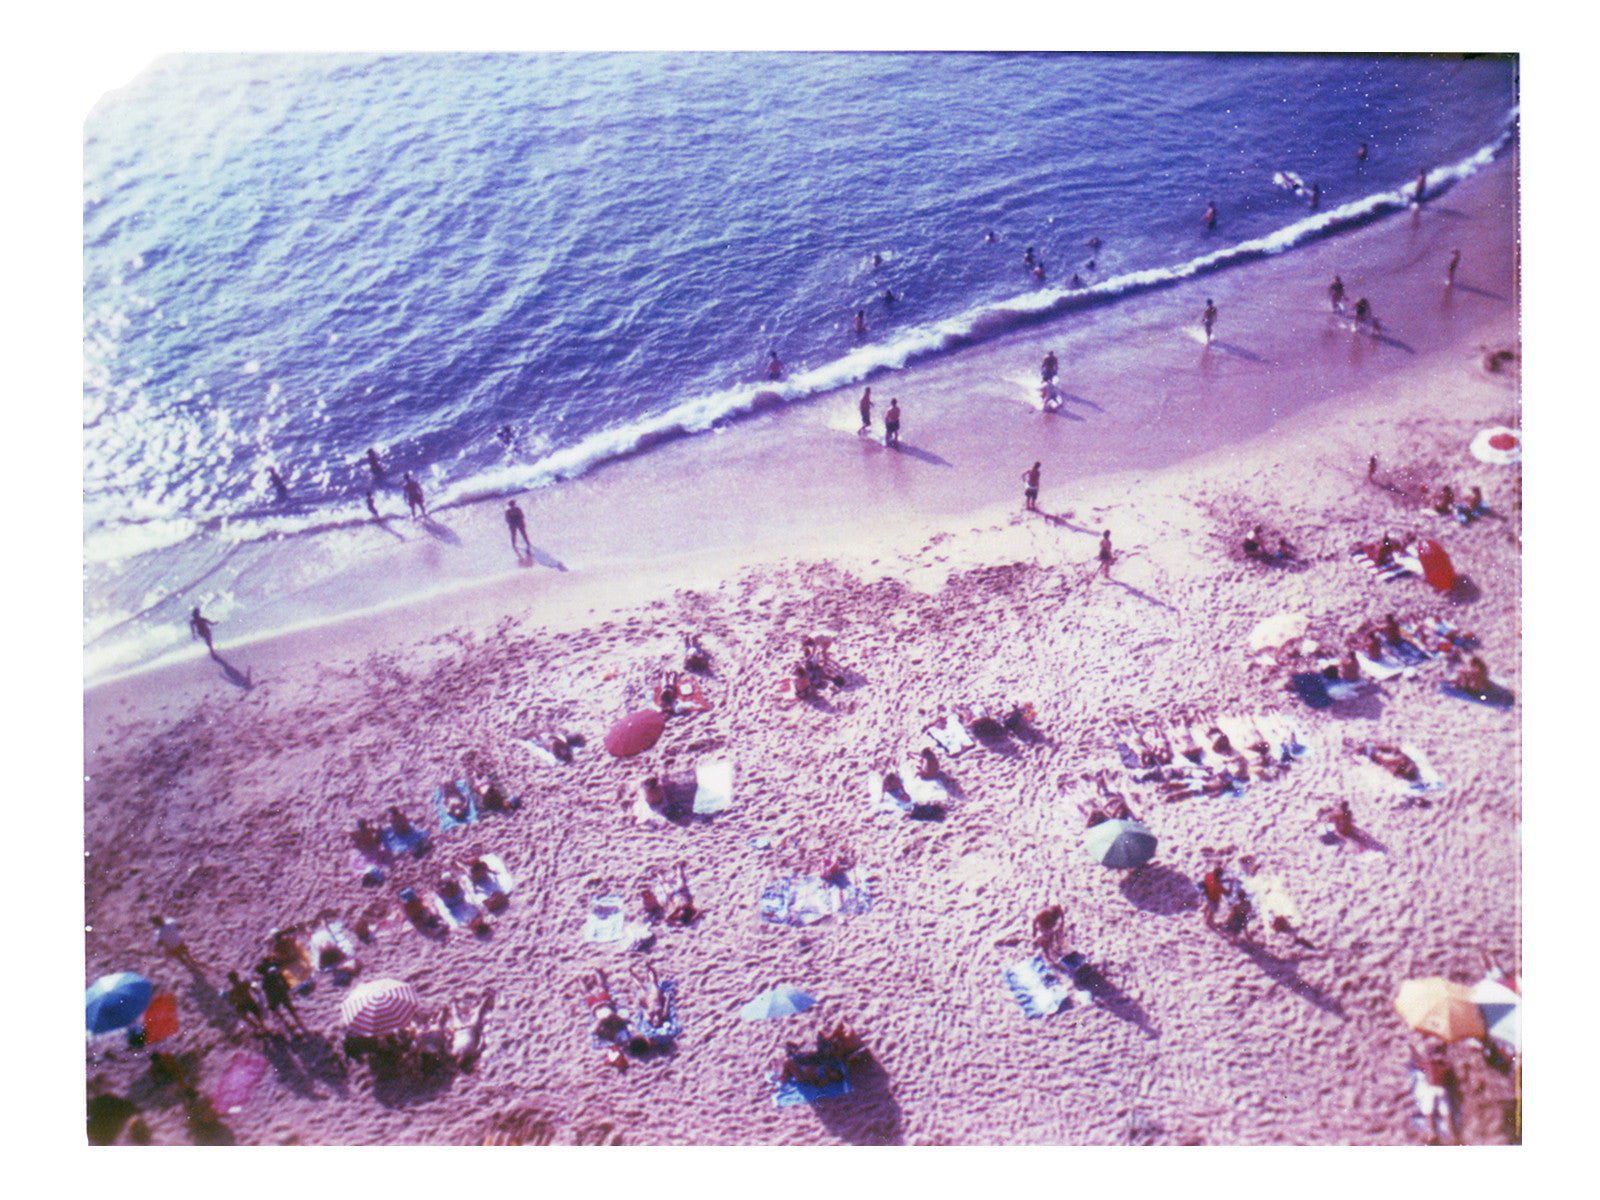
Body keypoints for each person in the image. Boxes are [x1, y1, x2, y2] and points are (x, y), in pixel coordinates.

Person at [1409, 1040, 1459, 1144]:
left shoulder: (1428, 1064)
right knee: (1446, 1111)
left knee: (1428, 1111)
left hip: (1431, 1090)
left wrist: (1412, 1050)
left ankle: (1431, 1133)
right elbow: (1449, 1067)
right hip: (1442, 1089)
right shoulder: (1444, 1065)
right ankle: (1452, 1135)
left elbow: (1416, 1062)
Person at [257, 961, 309, 1035]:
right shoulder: (274, 974)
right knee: (289, 1008)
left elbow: (268, 993)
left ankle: (286, 1022)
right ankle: (298, 1021)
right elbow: (284, 982)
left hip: (275, 997)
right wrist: (286, 988)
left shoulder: (264, 983)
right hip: (282, 993)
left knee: (278, 1011)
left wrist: (270, 1002)